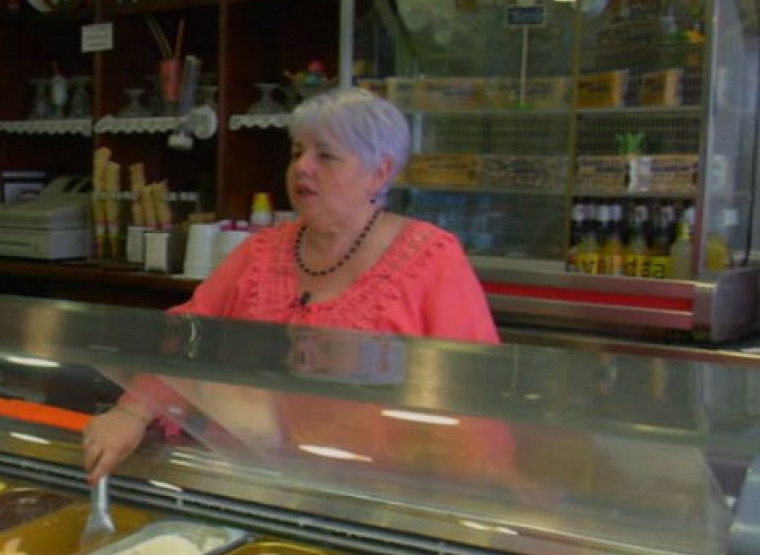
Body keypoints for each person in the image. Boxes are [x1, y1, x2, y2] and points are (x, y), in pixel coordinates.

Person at [82, 87, 497, 481]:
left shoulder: (432, 259)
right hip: (250, 478)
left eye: (326, 155)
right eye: (297, 152)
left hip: (378, 491)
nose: (302, 167)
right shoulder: (260, 252)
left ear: (380, 172)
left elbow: (473, 390)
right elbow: (188, 332)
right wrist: (132, 412)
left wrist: (469, 488)